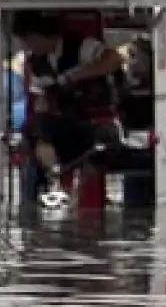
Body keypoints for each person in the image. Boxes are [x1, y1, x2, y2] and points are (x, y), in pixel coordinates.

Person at [13, 10, 125, 180]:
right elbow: (41, 100)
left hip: (98, 122)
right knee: (37, 128)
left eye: (28, 40)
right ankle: (54, 179)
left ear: (39, 34)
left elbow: (114, 59)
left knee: (101, 145)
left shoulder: (80, 46)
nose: (28, 47)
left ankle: (80, 187)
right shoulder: (35, 64)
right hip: (68, 124)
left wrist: (75, 75)